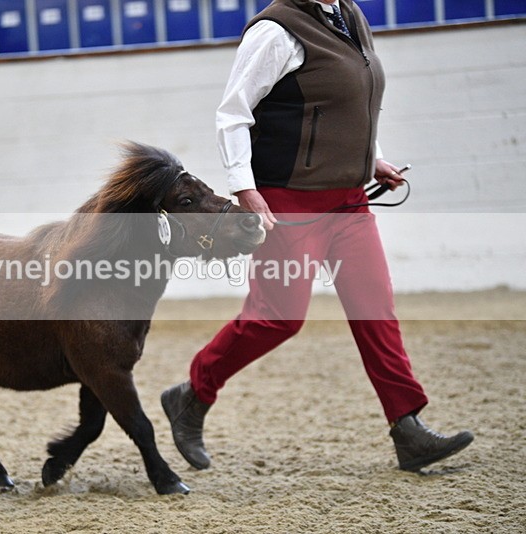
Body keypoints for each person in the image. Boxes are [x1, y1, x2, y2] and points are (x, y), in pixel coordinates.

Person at [161, 0, 474, 473]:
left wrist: (371, 160)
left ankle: (407, 427)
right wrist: (245, 189)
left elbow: (350, 104)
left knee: (375, 309)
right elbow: (233, 114)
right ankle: (193, 392)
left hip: (348, 199)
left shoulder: (350, 17)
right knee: (278, 317)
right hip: (288, 201)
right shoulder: (274, 31)